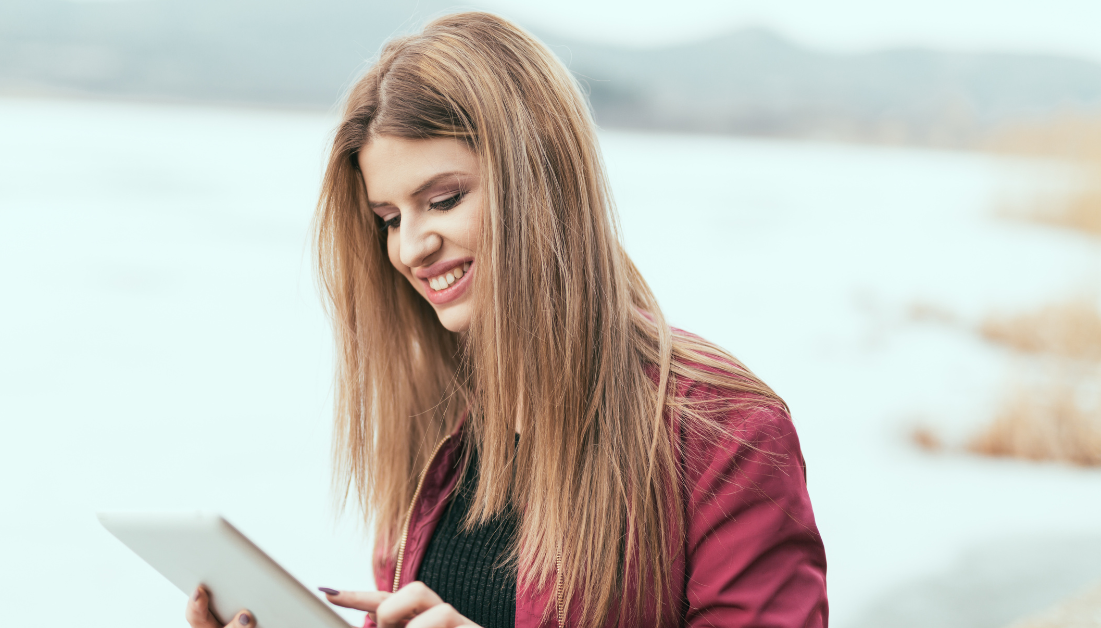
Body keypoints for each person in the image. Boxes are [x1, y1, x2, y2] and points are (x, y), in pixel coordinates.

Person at [185, 11, 826, 628]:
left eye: (443, 200)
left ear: (539, 176)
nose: (411, 248)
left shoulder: (722, 432)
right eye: (390, 218)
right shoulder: (430, 424)